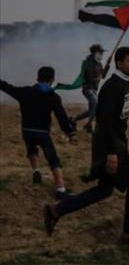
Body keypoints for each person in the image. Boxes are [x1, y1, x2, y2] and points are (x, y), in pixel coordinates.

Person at [43, 46, 129, 249]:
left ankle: (56, 211)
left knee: (104, 190)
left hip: (116, 143)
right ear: (119, 63)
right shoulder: (112, 87)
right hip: (110, 144)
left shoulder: (127, 83)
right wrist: (112, 153)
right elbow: (105, 122)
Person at [1, 67, 77, 198]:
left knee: (31, 150)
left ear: (37, 78)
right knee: (53, 160)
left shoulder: (25, 92)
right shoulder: (53, 97)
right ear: (52, 80)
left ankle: (36, 170)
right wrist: (71, 133)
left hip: (27, 131)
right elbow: (61, 117)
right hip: (43, 133)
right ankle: (61, 189)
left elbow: (7, 87)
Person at [72, 44, 105, 133]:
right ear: (94, 53)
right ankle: (89, 125)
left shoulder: (99, 64)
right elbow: (89, 78)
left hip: (94, 89)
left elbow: (103, 76)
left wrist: (107, 67)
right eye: (100, 52)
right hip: (87, 88)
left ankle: (73, 119)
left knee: (91, 110)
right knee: (95, 104)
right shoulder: (87, 63)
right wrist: (98, 77)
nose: (101, 54)